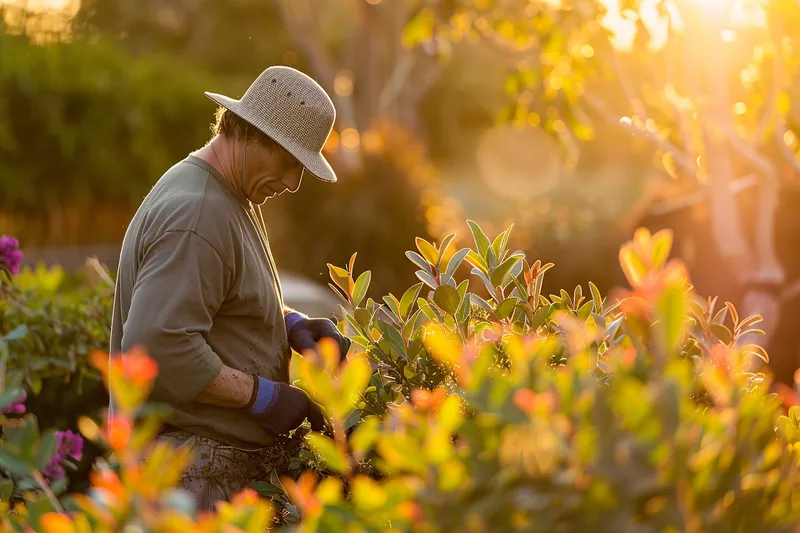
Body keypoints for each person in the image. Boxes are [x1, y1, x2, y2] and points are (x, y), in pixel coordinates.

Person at [109, 65, 351, 510]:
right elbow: (158, 349)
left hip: (206, 468)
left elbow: (221, 300)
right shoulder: (197, 214)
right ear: (252, 135)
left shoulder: (230, 195)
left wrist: (291, 325)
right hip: (188, 476)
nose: (293, 183)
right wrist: (264, 397)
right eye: (290, 163)